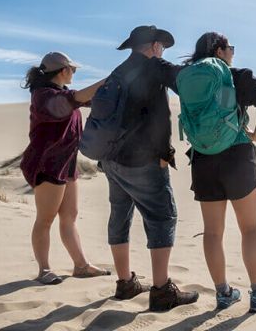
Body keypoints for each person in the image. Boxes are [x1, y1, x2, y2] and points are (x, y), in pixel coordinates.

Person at [182, 32, 256, 312]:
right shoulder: (236, 76)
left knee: (212, 232)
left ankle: (223, 294)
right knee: (249, 228)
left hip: (202, 157)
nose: (233, 54)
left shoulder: (189, 78)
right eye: (231, 49)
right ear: (220, 50)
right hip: (237, 154)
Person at [100, 25, 198, 311]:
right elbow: (185, 83)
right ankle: (161, 290)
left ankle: (125, 283)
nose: (163, 51)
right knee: (163, 217)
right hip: (142, 159)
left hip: (111, 159)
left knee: (120, 214)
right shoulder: (153, 67)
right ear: (154, 46)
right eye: (162, 47)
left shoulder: (119, 71)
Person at [20, 52, 110, 285]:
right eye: (73, 69)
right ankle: (44, 270)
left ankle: (81, 266)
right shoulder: (43, 96)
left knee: (69, 216)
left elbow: (87, 98)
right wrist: (107, 80)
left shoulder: (61, 94)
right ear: (63, 71)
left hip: (67, 163)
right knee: (46, 218)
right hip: (47, 164)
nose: (74, 73)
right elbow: (76, 98)